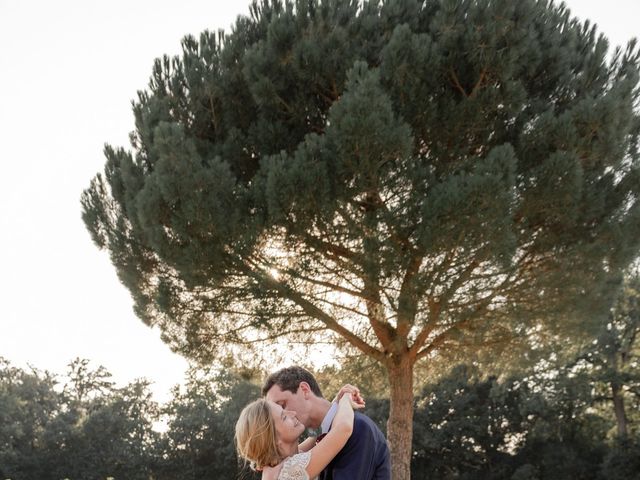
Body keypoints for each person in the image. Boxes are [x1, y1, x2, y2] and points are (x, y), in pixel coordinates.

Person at [262, 366, 391, 479]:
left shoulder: (359, 428)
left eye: (282, 405)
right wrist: (343, 400)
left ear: (305, 390)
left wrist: (338, 402)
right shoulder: (332, 434)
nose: (286, 414)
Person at [235, 386, 362, 480]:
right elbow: (343, 429)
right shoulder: (289, 472)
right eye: (284, 417)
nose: (293, 413)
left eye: (284, 410)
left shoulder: (281, 461)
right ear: (274, 440)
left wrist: (336, 401)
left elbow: (317, 438)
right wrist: (346, 399)